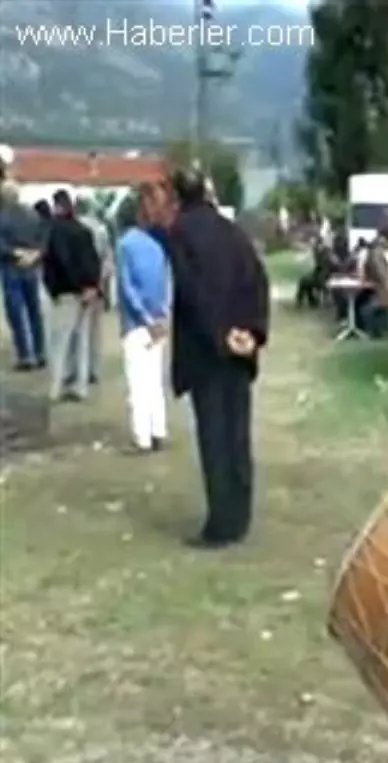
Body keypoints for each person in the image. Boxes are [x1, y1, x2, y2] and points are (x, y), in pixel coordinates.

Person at [166, 168, 270, 549]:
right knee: (237, 433)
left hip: (206, 351)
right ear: (208, 191)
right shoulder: (233, 232)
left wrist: (220, 334)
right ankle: (240, 516)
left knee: (214, 436)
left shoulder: (179, 233)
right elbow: (257, 281)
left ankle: (221, 523)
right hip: (239, 349)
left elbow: (192, 294)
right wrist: (251, 331)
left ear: (178, 197)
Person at [116, 183, 172, 454]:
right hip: (160, 320)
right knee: (155, 381)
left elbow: (126, 287)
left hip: (135, 323)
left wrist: (145, 317)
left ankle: (142, 437)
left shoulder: (125, 245)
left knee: (137, 383)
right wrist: (163, 313)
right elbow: (167, 281)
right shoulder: (158, 247)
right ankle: (159, 430)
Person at [43, 188, 102, 402]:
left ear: (57, 206)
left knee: (60, 342)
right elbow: (94, 261)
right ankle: (81, 386)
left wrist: (53, 289)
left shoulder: (55, 232)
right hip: (86, 293)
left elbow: (55, 262)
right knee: (82, 340)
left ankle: (56, 386)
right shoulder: (84, 231)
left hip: (66, 292)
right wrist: (92, 286)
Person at [0, 180, 47, 370]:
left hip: (11, 266)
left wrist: (14, 253)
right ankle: (40, 351)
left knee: (16, 312)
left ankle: (25, 355)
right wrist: (35, 253)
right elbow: (43, 236)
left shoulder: (2, 216)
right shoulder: (32, 214)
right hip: (31, 267)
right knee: (34, 310)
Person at [69, 196, 115, 387]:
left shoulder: (71, 229)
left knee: (75, 331)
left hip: (75, 286)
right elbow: (107, 261)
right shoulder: (101, 230)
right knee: (94, 331)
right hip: (96, 286)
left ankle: (75, 369)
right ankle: (93, 369)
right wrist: (102, 285)